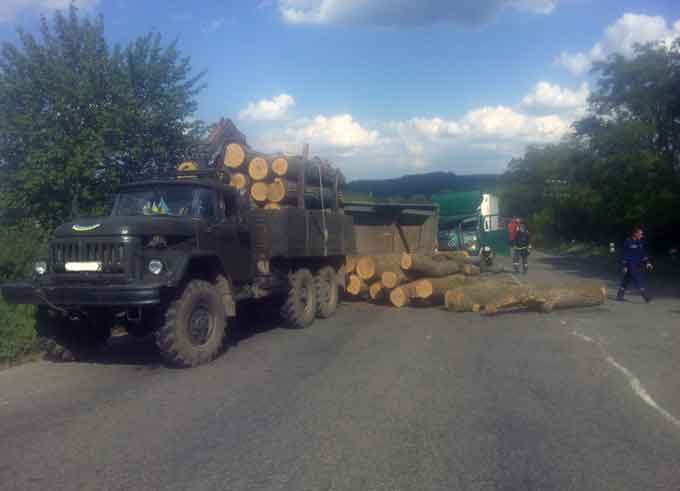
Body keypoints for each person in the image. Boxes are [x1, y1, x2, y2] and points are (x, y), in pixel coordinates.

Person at [617, 227, 653, 302]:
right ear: (635, 234)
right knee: (637, 279)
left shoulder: (640, 242)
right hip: (630, 265)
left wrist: (648, 263)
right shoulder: (628, 242)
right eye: (640, 234)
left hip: (637, 264)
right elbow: (624, 254)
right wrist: (624, 266)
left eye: (642, 234)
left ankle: (619, 295)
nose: (641, 235)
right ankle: (645, 296)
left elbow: (643, 254)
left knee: (626, 280)